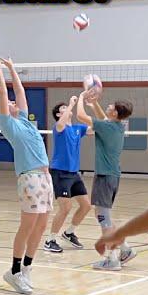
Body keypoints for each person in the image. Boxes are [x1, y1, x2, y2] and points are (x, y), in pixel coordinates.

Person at [0, 54, 52, 295]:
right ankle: (13, 271)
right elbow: (3, 95)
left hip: (45, 177)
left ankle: (26, 268)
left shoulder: (23, 120)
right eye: (10, 103)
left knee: (42, 224)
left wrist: (13, 67)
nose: (15, 102)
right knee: (28, 225)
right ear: (3, 111)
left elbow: (20, 92)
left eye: (15, 102)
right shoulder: (7, 124)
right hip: (30, 178)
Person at [76, 89, 136, 270]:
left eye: (110, 106)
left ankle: (113, 259)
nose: (108, 106)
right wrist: (94, 104)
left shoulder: (108, 127)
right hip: (112, 176)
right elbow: (103, 120)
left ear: (116, 112)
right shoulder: (117, 125)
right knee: (104, 215)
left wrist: (80, 97)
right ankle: (125, 249)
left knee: (103, 217)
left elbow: (80, 116)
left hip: (105, 177)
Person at [43, 97, 92, 253]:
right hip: (60, 172)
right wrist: (71, 104)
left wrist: (90, 104)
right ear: (58, 114)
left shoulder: (77, 128)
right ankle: (50, 240)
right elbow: (61, 124)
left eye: (67, 107)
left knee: (86, 205)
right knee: (65, 207)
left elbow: (94, 129)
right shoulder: (59, 127)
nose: (67, 108)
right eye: (63, 108)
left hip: (74, 173)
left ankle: (69, 232)